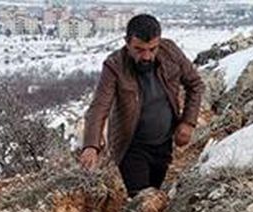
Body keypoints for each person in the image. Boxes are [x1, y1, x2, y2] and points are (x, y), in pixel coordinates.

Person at [78, 14, 205, 195]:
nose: (146, 56)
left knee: (154, 192)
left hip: (164, 143)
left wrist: (188, 122)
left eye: (152, 49)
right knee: (141, 198)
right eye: (139, 49)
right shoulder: (114, 65)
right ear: (127, 43)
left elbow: (195, 85)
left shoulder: (171, 52)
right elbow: (99, 107)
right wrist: (91, 145)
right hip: (131, 146)